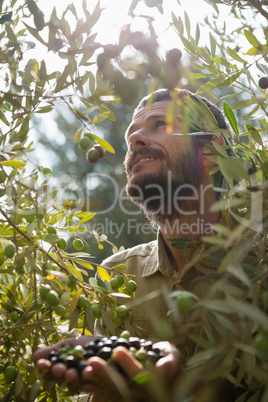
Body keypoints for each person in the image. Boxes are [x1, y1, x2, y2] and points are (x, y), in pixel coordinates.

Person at [33, 88, 232, 401]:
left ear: (208, 151)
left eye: (159, 124)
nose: (135, 139)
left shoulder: (258, 263)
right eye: (131, 135)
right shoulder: (117, 275)